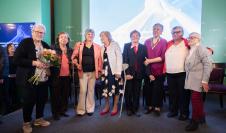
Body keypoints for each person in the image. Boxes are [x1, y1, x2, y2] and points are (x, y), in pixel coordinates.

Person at [14, 24, 51, 133]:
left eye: (42, 32)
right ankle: (26, 123)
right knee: (28, 101)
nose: (40, 34)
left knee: (42, 99)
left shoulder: (45, 44)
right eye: (37, 32)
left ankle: (39, 119)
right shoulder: (25, 43)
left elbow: (49, 60)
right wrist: (33, 62)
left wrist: (48, 65)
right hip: (28, 79)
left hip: (43, 78)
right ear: (32, 32)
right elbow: (16, 59)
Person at [184, 32, 212, 131]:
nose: (190, 39)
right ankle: (202, 117)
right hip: (192, 79)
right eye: (189, 37)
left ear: (198, 39)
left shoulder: (201, 48)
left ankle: (195, 121)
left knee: (195, 100)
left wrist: (204, 81)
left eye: (192, 37)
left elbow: (208, 65)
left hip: (199, 79)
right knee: (197, 100)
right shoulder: (192, 49)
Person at [71, 28, 102, 116]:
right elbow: (74, 56)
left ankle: (90, 109)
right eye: (88, 34)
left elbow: (100, 60)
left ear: (94, 36)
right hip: (82, 72)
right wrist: (77, 64)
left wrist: (99, 70)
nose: (90, 35)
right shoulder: (79, 45)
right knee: (83, 90)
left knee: (91, 90)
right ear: (85, 35)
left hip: (93, 72)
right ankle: (81, 110)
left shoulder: (97, 46)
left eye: (92, 34)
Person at [165, 26, 190, 120]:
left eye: (178, 32)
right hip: (170, 73)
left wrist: (209, 50)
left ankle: (184, 113)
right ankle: (173, 111)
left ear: (182, 33)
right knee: (172, 94)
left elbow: (198, 48)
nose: (175, 34)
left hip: (182, 73)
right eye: (173, 32)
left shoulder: (187, 42)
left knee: (183, 94)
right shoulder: (168, 44)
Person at [143, 23, 167, 116]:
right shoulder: (147, 41)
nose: (155, 30)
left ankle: (157, 107)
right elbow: (144, 58)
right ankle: (149, 106)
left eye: (158, 29)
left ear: (161, 31)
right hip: (148, 70)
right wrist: (149, 73)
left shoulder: (164, 41)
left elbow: (163, 57)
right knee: (148, 89)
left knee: (158, 89)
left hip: (159, 70)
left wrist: (149, 60)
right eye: (154, 29)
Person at [123, 30, 147, 117]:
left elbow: (145, 60)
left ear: (139, 37)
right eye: (133, 35)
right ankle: (129, 109)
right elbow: (124, 60)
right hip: (129, 74)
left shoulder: (143, 47)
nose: (135, 37)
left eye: (137, 35)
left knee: (137, 93)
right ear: (130, 37)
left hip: (139, 74)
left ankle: (135, 109)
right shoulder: (126, 46)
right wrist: (127, 73)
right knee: (128, 92)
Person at [99, 31, 123, 116]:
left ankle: (115, 106)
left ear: (108, 36)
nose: (101, 37)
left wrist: (118, 71)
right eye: (100, 36)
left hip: (114, 71)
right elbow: (101, 60)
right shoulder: (101, 47)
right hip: (104, 72)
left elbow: (119, 58)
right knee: (105, 89)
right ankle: (107, 105)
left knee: (115, 89)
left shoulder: (115, 44)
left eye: (102, 36)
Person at [50, 32, 73, 120]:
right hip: (56, 75)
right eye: (61, 37)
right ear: (58, 39)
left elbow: (73, 61)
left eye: (66, 38)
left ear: (68, 40)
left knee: (65, 95)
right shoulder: (53, 48)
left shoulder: (70, 50)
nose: (64, 39)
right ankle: (55, 113)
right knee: (55, 96)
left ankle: (62, 111)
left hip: (67, 76)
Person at [6, 43, 20, 110]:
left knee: (17, 92)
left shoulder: (17, 57)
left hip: (17, 77)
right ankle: (9, 107)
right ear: (7, 49)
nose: (12, 48)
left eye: (13, 47)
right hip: (8, 78)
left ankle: (17, 105)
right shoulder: (5, 57)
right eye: (10, 47)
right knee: (9, 92)